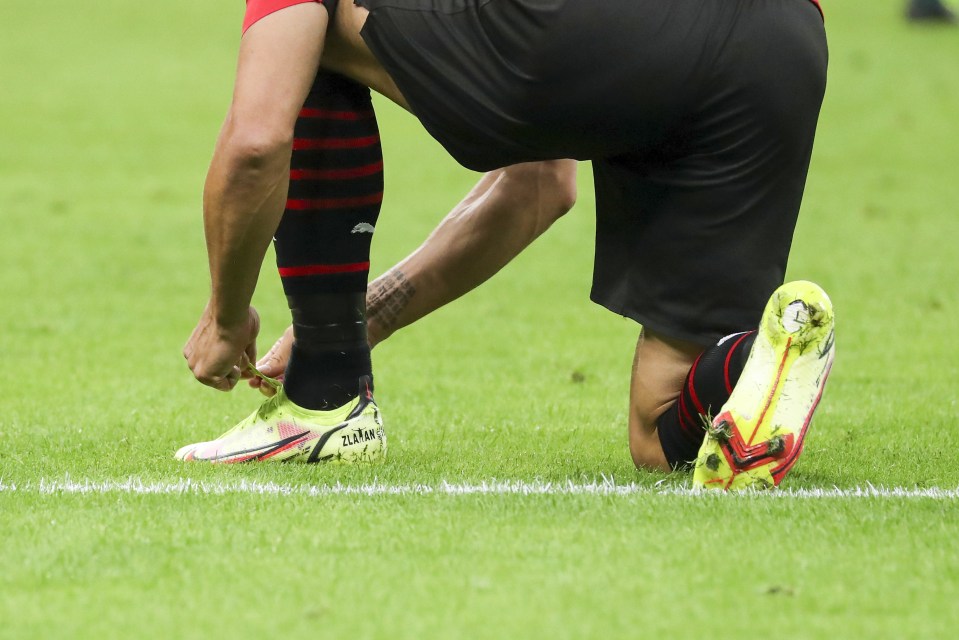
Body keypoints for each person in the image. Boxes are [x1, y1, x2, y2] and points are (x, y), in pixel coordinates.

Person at [179, 0, 835, 490]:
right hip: (779, 40)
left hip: (592, 30)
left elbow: (258, 143)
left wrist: (226, 316)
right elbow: (539, 185)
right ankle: (759, 357)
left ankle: (323, 399)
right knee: (661, 438)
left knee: (308, 27)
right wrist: (364, 317)